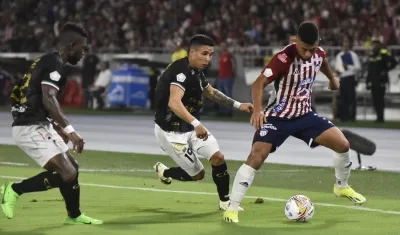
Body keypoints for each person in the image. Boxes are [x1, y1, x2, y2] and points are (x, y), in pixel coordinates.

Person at [223, 21, 366, 223]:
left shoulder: (319, 53)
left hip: (304, 115)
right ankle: (232, 207)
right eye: (303, 49)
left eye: (312, 49)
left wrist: (333, 80)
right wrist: (257, 110)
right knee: (256, 156)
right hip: (278, 117)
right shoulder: (283, 58)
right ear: (295, 40)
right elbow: (258, 84)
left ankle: (341, 187)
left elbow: (322, 60)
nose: (308, 54)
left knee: (343, 144)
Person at [1, 22, 103, 225]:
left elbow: (24, 94)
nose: (83, 54)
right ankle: (13, 189)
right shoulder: (55, 64)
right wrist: (69, 130)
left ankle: (74, 216)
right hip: (30, 128)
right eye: (82, 49)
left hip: (37, 123)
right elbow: (48, 98)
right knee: (67, 172)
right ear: (72, 45)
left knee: (72, 167)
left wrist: (55, 127)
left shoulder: (43, 62)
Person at [153, 34, 253, 210]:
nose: (208, 59)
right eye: (204, 54)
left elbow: (211, 92)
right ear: (192, 53)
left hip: (190, 126)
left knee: (218, 157)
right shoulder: (180, 71)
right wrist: (196, 123)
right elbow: (174, 102)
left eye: (211, 54)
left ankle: (225, 203)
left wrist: (239, 105)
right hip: (171, 132)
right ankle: (165, 171)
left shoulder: (196, 71)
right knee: (197, 175)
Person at [366, 40, 397, 123]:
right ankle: (378, 117)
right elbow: (369, 70)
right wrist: (367, 81)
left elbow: (394, 62)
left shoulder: (383, 53)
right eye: (373, 45)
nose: (374, 47)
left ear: (379, 45)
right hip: (373, 81)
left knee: (380, 100)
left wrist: (386, 71)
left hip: (381, 81)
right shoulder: (371, 55)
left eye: (375, 45)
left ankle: (381, 118)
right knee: (375, 99)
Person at [335, 37, 361, 121]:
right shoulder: (339, 56)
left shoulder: (353, 55)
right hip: (342, 78)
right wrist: (339, 71)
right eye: (344, 43)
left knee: (351, 98)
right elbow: (337, 68)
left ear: (349, 45)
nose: (345, 45)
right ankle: (344, 117)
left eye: (347, 43)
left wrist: (348, 66)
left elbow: (358, 67)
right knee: (343, 98)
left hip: (350, 78)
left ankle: (352, 117)